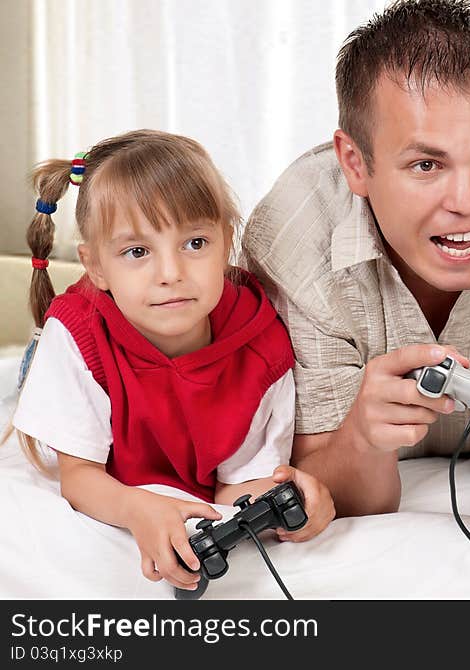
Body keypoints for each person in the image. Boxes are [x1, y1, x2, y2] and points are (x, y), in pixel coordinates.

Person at [243, 0, 470, 519]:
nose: (466, 201)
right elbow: (322, 485)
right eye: (426, 164)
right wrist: (361, 438)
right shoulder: (291, 236)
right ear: (356, 164)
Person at [12, 129, 335, 592]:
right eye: (137, 252)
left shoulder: (262, 347)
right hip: (85, 382)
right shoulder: (78, 334)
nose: (171, 274)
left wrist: (292, 499)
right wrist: (136, 508)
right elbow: (80, 477)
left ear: (225, 242)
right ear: (96, 267)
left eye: (195, 243)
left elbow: (231, 490)